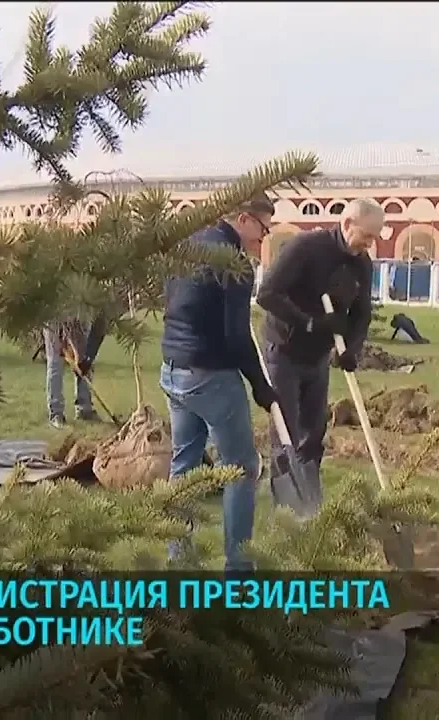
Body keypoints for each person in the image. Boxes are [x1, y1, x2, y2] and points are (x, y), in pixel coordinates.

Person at [159, 195, 279, 572]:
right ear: (243, 219)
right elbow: (237, 337)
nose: (263, 239)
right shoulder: (233, 262)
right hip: (211, 376)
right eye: (263, 229)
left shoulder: (188, 245)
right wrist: (261, 386)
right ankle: (239, 571)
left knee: (184, 467)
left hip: (172, 369)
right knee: (240, 468)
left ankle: (179, 561)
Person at [255, 198, 380, 513]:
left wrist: (352, 348)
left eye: (375, 237)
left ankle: (311, 505)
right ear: (347, 223)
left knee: (314, 433)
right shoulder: (306, 248)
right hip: (284, 350)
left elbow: (362, 312)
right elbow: (267, 294)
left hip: (318, 357)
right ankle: (287, 510)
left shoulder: (362, 264)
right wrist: (310, 322)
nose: (370, 243)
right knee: (286, 431)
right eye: (367, 235)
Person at [43, 319, 106, 428]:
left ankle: (84, 409)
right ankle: (56, 414)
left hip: (78, 320)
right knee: (55, 363)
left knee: (85, 362)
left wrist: (86, 358)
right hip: (55, 320)